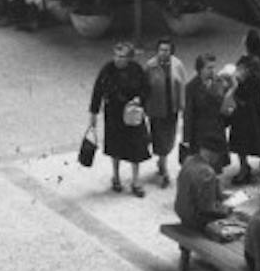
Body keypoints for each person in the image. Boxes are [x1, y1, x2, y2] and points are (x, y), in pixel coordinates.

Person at [89, 42, 150, 196]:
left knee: (136, 147)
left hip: (132, 113)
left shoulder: (136, 70)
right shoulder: (108, 69)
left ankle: (136, 181)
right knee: (115, 147)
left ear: (129, 58)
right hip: (114, 114)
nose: (118, 59)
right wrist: (93, 114)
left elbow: (146, 88)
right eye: (116, 55)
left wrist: (139, 99)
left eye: (122, 56)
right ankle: (116, 177)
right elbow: (98, 91)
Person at [143, 38, 187, 189]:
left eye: (166, 50)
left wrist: (182, 105)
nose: (163, 53)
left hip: (172, 108)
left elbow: (182, 85)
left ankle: (162, 161)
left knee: (169, 137)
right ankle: (164, 167)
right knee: (159, 138)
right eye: (161, 50)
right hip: (156, 109)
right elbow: (145, 88)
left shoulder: (178, 65)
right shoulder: (150, 66)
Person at [224, 53, 260, 183]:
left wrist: (234, 86)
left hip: (244, 118)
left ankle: (244, 168)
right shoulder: (255, 82)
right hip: (247, 117)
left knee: (241, 144)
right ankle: (246, 166)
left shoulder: (247, 84)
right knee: (243, 144)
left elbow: (234, 99)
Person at [183, 53, 228, 168]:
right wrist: (186, 138)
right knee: (202, 168)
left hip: (217, 131)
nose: (212, 71)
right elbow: (188, 113)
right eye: (209, 68)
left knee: (217, 167)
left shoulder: (219, 83)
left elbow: (225, 104)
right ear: (200, 69)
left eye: (214, 67)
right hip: (201, 134)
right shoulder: (191, 87)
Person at [174, 146, 231, 231]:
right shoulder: (207, 172)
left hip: (182, 212)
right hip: (196, 220)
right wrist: (226, 210)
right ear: (214, 154)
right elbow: (207, 208)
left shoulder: (189, 160)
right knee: (235, 218)